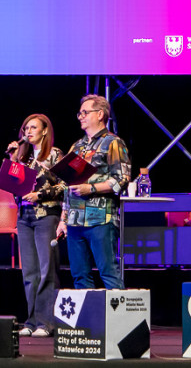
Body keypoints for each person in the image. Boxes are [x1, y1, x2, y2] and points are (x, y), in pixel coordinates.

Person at [55, 94, 131, 290]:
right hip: (75, 221)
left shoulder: (113, 142)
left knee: (108, 273)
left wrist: (91, 188)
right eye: (79, 113)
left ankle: (118, 310)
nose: (80, 116)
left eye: (85, 112)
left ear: (100, 114)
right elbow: (68, 185)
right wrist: (63, 219)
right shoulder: (77, 146)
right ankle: (87, 312)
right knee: (80, 276)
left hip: (100, 220)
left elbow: (122, 179)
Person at [5, 114, 65, 337]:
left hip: (46, 215)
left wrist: (40, 194)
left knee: (46, 269)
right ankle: (31, 321)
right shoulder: (23, 157)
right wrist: (12, 159)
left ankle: (46, 322)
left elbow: (64, 186)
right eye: (25, 128)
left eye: (33, 127)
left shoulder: (55, 154)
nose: (28, 132)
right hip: (24, 216)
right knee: (30, 272)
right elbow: (11, 184)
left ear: (44, 130)